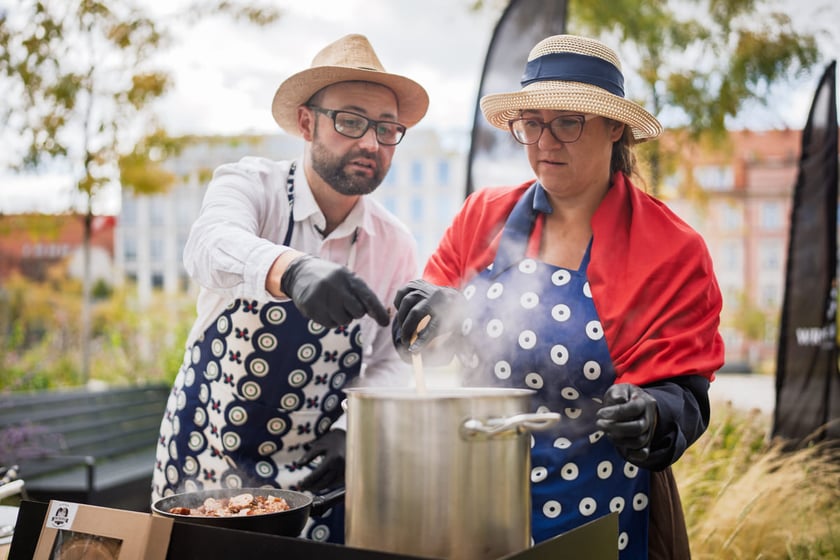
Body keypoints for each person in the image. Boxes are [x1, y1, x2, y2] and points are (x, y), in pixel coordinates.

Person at [393, 34, 724, 559]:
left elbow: (684, 394)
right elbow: (429, 330)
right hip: (476, 501)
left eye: (567, 122)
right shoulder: (482, 217)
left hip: (600, 512)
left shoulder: (672, 249)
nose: (545, 143)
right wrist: (423, 310)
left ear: (614, 127)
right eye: (531, 123)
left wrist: (653, 412)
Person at [152, 33, 429, 544]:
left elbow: (390, 359)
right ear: (307, 123)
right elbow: (208, 245)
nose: (370, 143)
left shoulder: (394, 244)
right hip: (204, 465)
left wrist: (351, 429)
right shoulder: (251, 187)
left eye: (387, 129)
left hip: (316, 478)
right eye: (351, 121)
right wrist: (292, 269)